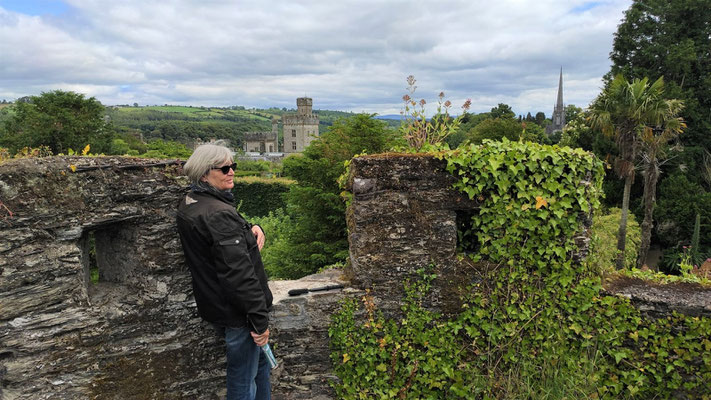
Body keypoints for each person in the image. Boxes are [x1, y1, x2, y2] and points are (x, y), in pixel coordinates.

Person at [176, 144, 273, 400]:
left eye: (233, 166)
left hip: (216, 305)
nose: (231, 172)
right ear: (204, 174)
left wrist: (252, 228)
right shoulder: (219, 214)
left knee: (260, 366)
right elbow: (239, 274)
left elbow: (219, 243)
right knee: (243, 379)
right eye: (224, 168)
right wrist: (259, 320)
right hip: (239, 314)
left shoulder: (192, 202)